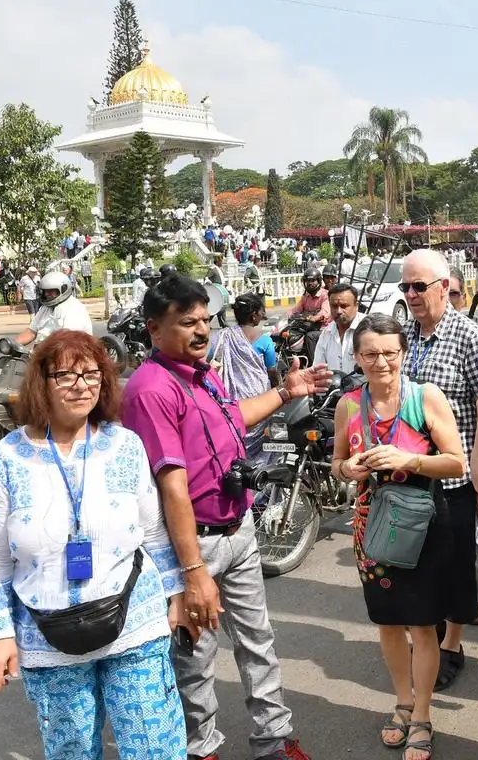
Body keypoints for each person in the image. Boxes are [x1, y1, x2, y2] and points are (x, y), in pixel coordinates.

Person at [121, 275, 330, 760]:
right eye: (186, 323)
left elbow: (232, 418)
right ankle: (201, 748)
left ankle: (274, 741)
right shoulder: (151, 388)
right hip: (194, 544)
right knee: (196, 654)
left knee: (258, 641)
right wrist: (192, 572)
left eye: (204, 321)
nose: (200, 332)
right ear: (154, 328)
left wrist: (286, 391)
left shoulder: (201, 372)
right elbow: (170, 484)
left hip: (239, 530)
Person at [0, 330, 190, 760]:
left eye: (91, 375)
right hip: (46, 632)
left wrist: (175, 593)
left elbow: (153, 531)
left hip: (134, 621)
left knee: (153, 743)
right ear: (41, 382)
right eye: (66, 375)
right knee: (70, 749)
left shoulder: (125, 446)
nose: (81, 385)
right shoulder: (10, 458)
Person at [331, 315, 468, 760]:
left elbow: (456, 463)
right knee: (388, 623)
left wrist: (408, 458)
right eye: (370, 353)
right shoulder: (349, 405)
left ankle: (424, 713)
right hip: (372, 530)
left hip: (424, 525)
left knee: (423, 625)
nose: (381, 362)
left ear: (403, 353)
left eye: (390, 352)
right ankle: (403, 704)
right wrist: (347, 469)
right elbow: (336, 463)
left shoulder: (424, 397)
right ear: (357, 357)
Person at [399, 249, 478, 690]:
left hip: (456, 478)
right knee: (420, 565)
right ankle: (429, 634)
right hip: (409, 478)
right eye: (405, 287)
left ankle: (452, 643)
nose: (411, 295)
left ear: (442, 286)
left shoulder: (472, 338)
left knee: (456, 566)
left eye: (419, 286)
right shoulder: (406, 338)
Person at [209, 293, 280, 457]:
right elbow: (272, 372)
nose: (263, 315)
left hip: (231, 401)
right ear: (254, 314)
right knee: (267, 441)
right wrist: (280, 394)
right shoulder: (264, 341)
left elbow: (210, 363)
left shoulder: (222, 336)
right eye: (261, 311)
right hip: (260, 401)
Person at [14, 271, 93, 347]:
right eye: (45, 291)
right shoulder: (45, 308)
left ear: (63, 289)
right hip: (46, 353)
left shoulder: (74, 309)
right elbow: (31, 331)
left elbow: (68, 339)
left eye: (51, 291)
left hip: (73, 353)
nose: (47, 294)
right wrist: (13, 345)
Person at [313, 283, 363, 374]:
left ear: (356, 305)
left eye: (344, 306)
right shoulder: (326, 333)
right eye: (334, 306)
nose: (338, 311)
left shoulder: (368, 329)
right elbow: (318, 369)